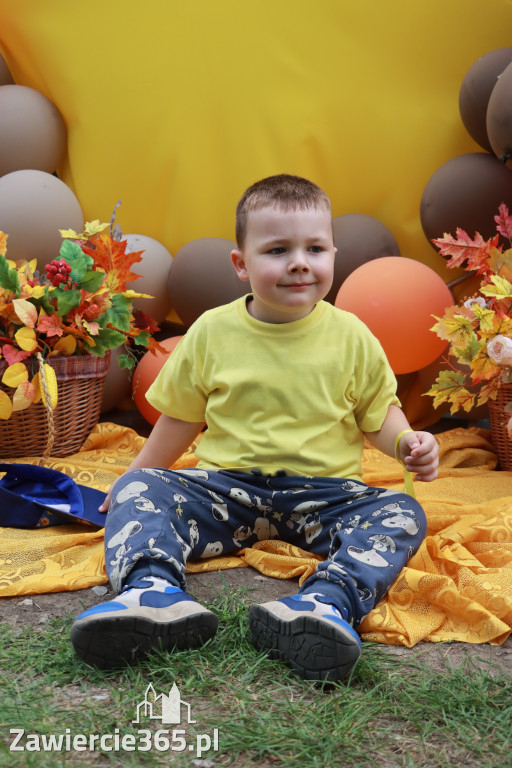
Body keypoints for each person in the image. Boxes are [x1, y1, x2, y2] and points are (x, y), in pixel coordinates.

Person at [71, 174, 439, 682]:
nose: (298, 262)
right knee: (140, 488)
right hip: (228, 491)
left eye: (314, 248)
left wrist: (407, 444)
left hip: (324, 497)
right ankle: (151, 594)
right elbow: (180, 418)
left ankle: (322, 606)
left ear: (333, 253)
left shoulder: (352, 336)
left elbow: (377, 415)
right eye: (277, 250)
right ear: (241, 264)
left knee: (402, 511)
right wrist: (133, 476)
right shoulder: (212, 332)